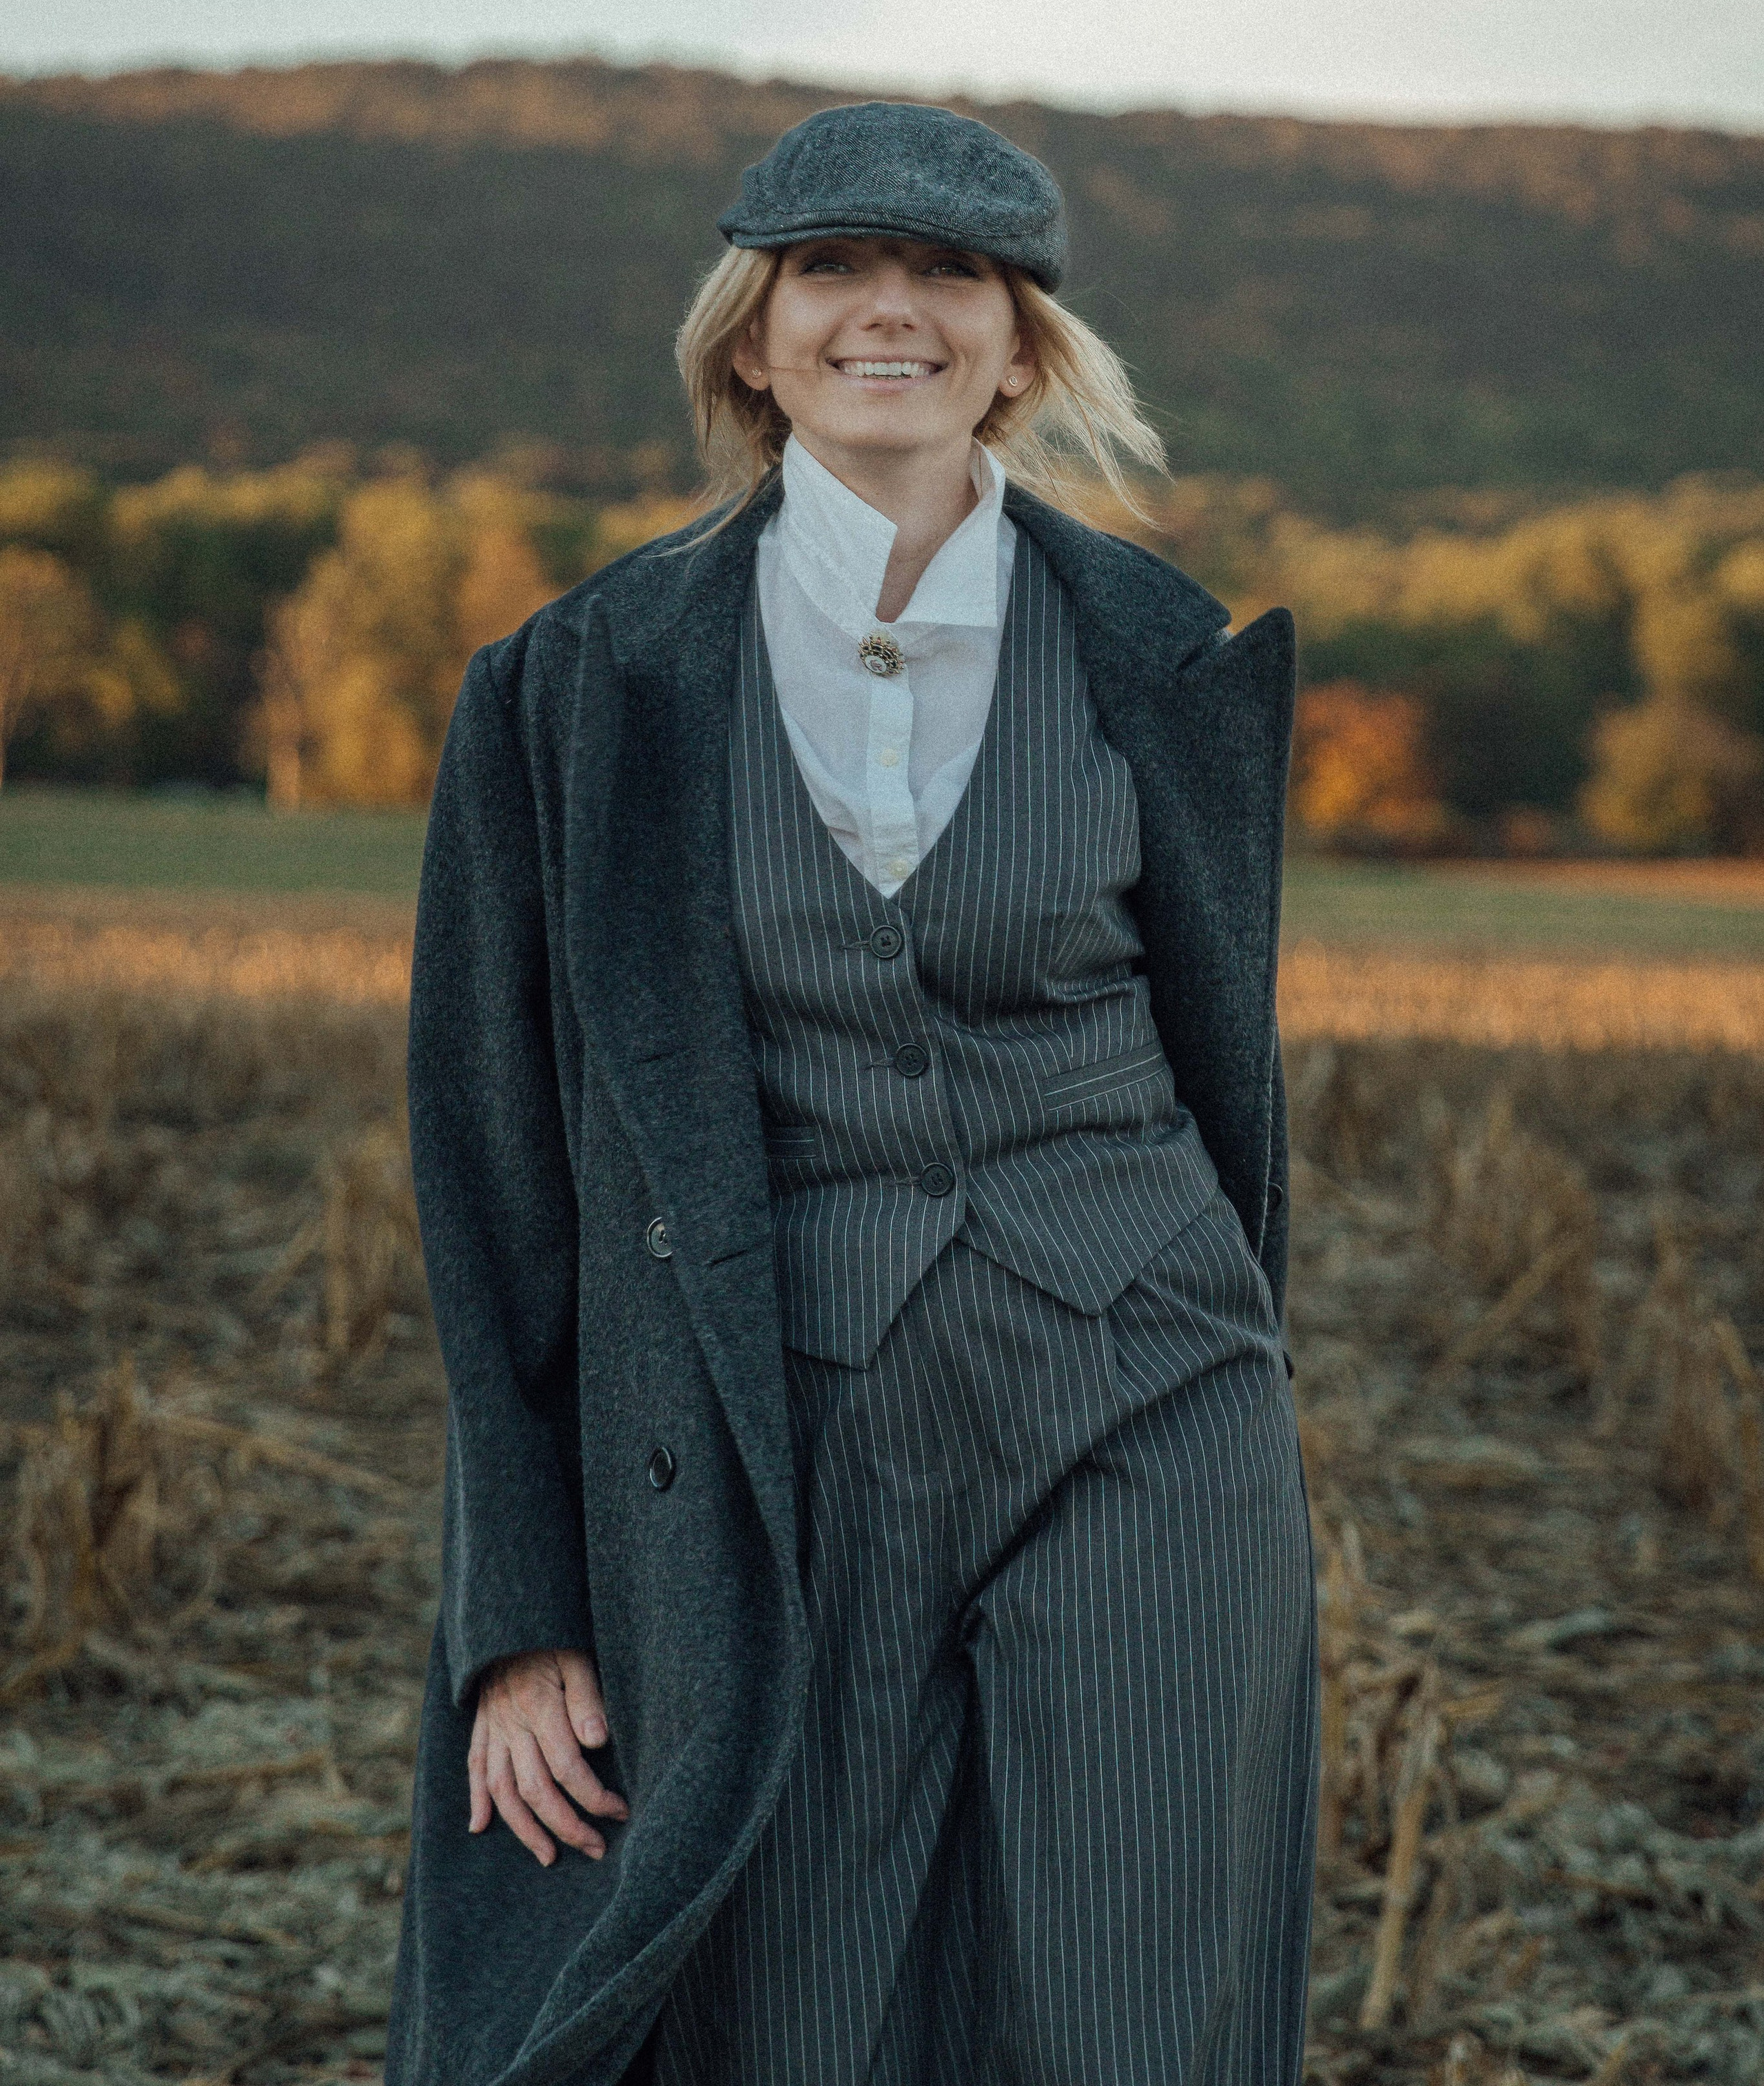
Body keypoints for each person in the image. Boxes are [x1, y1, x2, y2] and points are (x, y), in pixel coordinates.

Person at [387, 102, 1319, 2086]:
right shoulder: (582, 685)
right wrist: (519, 1612)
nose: (890, 307)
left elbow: (1234, 1079)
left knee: (1137, 1994)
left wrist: (1246, 1338)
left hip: (1150, 1382)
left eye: (952, 274)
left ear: (1018, 344)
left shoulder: (1161, 651)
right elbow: (495, 1169)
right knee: (799, 2013)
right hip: (785, 1436)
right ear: (752, 334)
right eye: (832, 268)